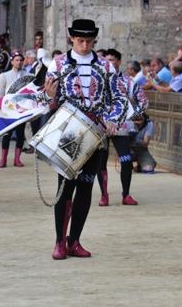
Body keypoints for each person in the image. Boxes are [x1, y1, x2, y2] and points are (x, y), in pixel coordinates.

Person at [39, 19, 129, 260]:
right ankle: (59, 241)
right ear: (71, 39)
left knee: (86, 188)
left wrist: (112, 119)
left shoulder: (106, 67)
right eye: (80, 41)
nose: (85, 45)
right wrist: (48, 97)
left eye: (89, 41)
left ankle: (74, 240)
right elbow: (46, 105)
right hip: (69, 134)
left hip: (97, 135)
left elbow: (120, 98)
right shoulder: (57, 64)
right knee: (65, 187)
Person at [97, 48, 146, 207]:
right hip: (101, 126)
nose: (108, 63)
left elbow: (143, 102)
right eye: (106, 61)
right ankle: (104, 195)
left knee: (126, 160)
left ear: (118, 62)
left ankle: (126, 194)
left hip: (121, 127)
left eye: (112, 60)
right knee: (100, 162)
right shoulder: (97, 81)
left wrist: (132, 114)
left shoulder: (129, 82)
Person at [0, 51, 30, 168]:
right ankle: (3, 159)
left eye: (21, 60)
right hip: (8, 109)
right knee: (7, 134)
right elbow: (0, 93)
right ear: (11, 62)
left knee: (20, 134)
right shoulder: (4, 76)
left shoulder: (27, 75)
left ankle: (17, 159)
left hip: (21, 109)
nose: (19, 62)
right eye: (17, 60)